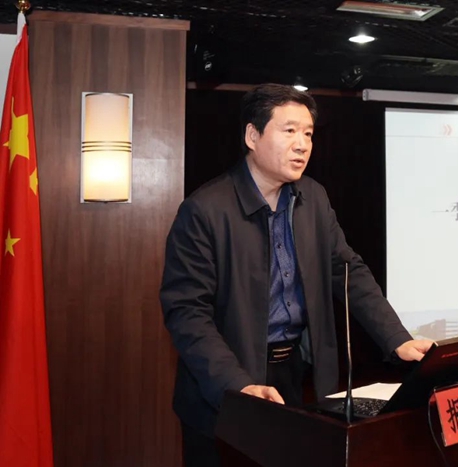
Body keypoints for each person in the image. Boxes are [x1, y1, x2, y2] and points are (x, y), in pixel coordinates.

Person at [159, 83, 433, 467]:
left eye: (308, 134)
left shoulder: (313, 198)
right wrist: (237, 385)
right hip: (227, 382)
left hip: (297, 375)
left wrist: (397, 338)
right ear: (252, 136)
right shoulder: (205, 210)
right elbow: (187, 313)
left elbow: (348, 271)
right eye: (289, 131)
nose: (302, 145)